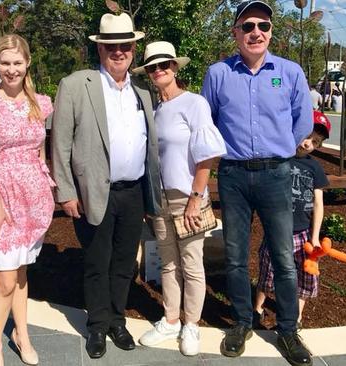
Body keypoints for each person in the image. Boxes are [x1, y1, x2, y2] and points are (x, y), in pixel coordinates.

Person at [200, 1, 313, 364]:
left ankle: (287, 330)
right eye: (247, 25)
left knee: (283, 255)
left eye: (263, 25)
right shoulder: (218, 74)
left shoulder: (290, 72)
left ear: (270, 31)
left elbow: (303, 121)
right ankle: (242, 321)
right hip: (233, 176)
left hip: (276, 174)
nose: (256, 32)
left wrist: (280, 150)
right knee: (235, 256)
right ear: (235, 32)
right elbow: (208, 122)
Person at [51, 13, 163, 359]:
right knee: (97, 263)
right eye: (112, 45)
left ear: (133, 49)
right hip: (92, 193)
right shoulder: (75, 85)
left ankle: (118, 320)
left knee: (124, 263)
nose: (119, 51)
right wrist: (66, 192)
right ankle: (97, 326)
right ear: (100, 49)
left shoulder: (142, 91)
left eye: (125, 45)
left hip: (133, 192)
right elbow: (60, 144)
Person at [132, 41, 226, 356]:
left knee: (192, 263)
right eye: (153, 67)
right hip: (159, 199)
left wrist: (195, 199)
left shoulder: (194, 104)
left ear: (175, 68)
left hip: (188, 197)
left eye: (165, 65)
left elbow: (206, 157)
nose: (159, 71)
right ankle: (171, 318)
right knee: (168, 263)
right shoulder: (154, 110)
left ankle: (192, 324)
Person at [0, 34, 55, 366]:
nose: (11, 69)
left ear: (27, 63)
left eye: (17, 62)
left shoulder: (39, 103)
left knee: (19, 273)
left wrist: (46, 184)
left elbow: (39, 151)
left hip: (32, 196)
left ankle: (23, 334)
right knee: (4, 278)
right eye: (5, 63)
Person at [254, 110, 331, 329]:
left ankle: (295, 317)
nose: (308, 144)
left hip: (303, 233)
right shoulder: (279, 158)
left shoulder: (314, 167)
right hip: (277, 229)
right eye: (307, 136)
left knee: (306, 274)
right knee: (268, 271)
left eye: (315, 142)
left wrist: (315, 237)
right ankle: (257, 309)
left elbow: (318, 203)